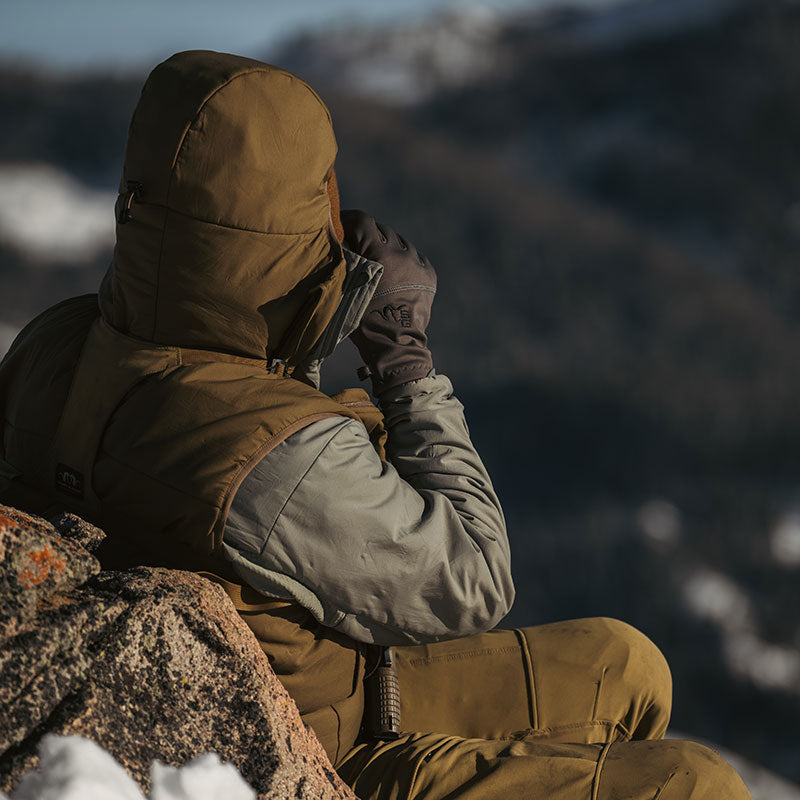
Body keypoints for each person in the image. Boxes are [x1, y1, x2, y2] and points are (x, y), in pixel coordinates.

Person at [0, 50, 750, 800]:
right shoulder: (271, 457)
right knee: (697, 785)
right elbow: (476, 580)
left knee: (626, 665)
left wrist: (304, 322)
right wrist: (406, 365)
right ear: (282, 232)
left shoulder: (53, 341)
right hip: (320, 752)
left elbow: (216, 402)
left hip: (329, 683)